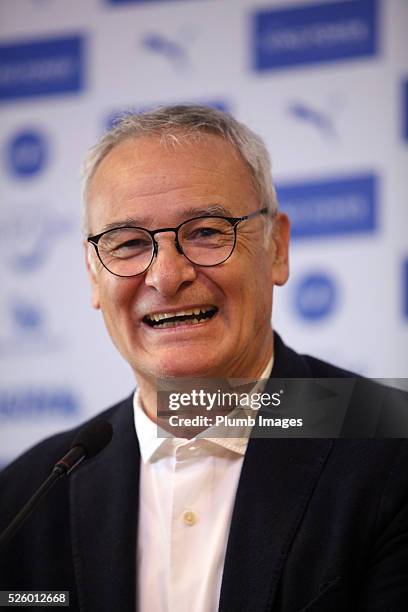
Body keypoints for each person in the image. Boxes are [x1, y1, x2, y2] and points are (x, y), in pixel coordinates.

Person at [0, 105, 407, 612]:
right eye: (127, 243)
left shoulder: (392, 445)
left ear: (276, 248)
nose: (167, 276)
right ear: (93, 276)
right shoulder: (25, 495)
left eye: (206, 232)